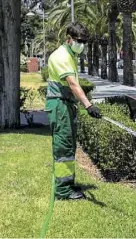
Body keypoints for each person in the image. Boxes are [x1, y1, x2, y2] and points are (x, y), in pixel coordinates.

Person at [45, 22, 102, 200]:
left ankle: (67, 184)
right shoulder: (61, 56)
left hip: (65, 105)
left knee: (68, 146)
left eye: (85, 41)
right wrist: (89, 105)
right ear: (69, 39)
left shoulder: (69, 54)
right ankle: (63, 191)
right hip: (60, 106)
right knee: (63, 147)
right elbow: (72, 84)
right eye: (79, 41)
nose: (82, 45)